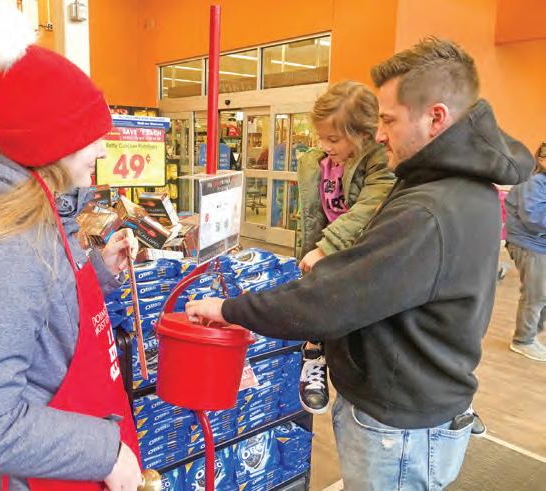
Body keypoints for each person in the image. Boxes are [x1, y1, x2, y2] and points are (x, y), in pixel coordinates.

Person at [185, 37, 534, 490]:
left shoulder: (429, 210)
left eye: (388, 120)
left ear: (435, 118)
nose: (380, 134)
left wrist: (229, 310)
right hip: (416, 402)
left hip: (397, 425)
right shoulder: (458, 188)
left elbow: (332, 299)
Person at [0, 2, 142, 490]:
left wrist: (96, 271)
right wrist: (104, 452)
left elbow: (39, 316)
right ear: (51, 144)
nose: (104, 150)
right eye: (92, 136)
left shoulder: (40, 217)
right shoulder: (11, 246)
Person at [295, 81, 394, 414]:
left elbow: (371, 204)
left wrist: (329, 246)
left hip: (357, 250)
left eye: (334, 139)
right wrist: (313, 249)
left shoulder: (378, 160)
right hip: (326, 249)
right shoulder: (316, 161)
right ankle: (314, 356)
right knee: (316, 308)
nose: (325, 145)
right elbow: (314, 214)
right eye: (321, 137)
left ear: (363, 133)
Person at [505, 142, 546, 361]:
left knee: (542, 294)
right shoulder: (535, 182)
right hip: (529, 244)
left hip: (539, 244)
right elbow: (533, 218)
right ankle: (523, 340)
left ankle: (531, 333)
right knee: (536, 294)